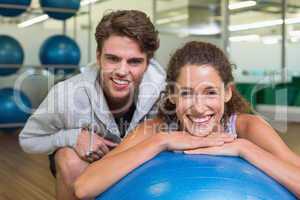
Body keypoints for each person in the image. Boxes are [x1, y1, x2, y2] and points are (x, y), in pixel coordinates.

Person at [74, 41, 300, 199]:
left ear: (228, 92)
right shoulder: (155, 130)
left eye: (210, 92)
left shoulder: (248, 128)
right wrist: (161, 141)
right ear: (172, 94)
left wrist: (244, 148)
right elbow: (84, 187)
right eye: (186, 93)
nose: (199, 108)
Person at [19, 10, 166, 200]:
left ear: (147, 63)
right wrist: (72, 137)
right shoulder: (67, 94)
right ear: (98, 57)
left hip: (135, 158)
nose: (122, 71)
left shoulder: (164, 92)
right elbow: (28, 140)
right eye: (113, 59)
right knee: (69, 159)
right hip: (87, 160)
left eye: (134, 62)